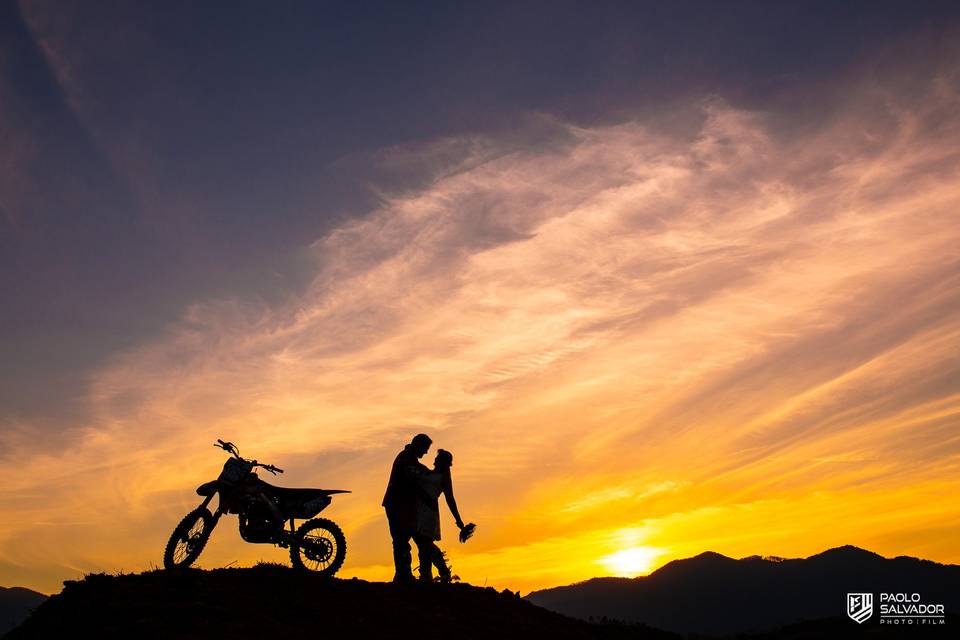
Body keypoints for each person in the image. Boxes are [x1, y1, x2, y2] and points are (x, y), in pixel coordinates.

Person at [382, 433, 432, 582]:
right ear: (418, 445)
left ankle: (404, 574)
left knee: (403, 538)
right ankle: (403, 575)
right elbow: (414, 477)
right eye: (425, 448)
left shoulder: (409, 459)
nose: (426, 452)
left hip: (400, 504)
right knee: (401, 539)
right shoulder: (406, 459)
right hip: (396, 504)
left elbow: (419, 471)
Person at [413, 449, 468, 583]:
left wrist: (458, 520)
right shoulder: (428, 472)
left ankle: (436, 572)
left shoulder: (443, 478)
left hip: (429, 513)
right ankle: (429, 574)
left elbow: (450, 499)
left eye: (438, 457)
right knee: (422, 544)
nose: (435, 459)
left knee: (424, 543)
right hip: (419, 512)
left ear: (442, 461)